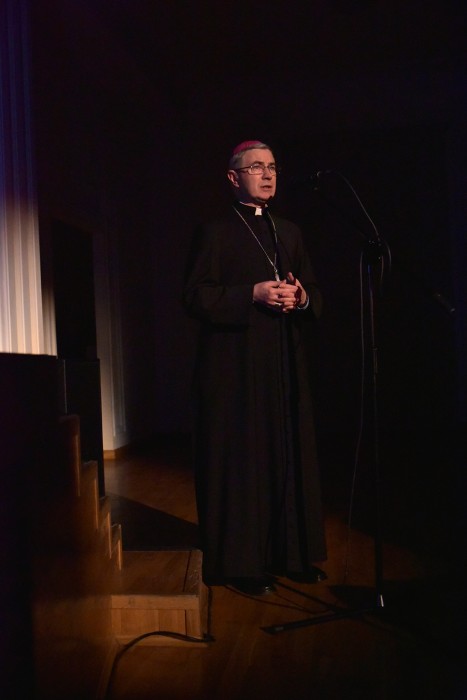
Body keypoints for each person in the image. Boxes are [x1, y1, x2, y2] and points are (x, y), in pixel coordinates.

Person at [183, 140, 327, 595]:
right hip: (234, 369)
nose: (267, 175)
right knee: (243, 463)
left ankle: (292, 555)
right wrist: (252, 293)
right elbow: (196, 297)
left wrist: (300, 297)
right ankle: (240, 564)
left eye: (273, 167)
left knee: (288, 454)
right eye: (256, 167)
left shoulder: (290, 232)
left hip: (283, 362)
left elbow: (316, 293)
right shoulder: (215, 231)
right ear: (233, 178)